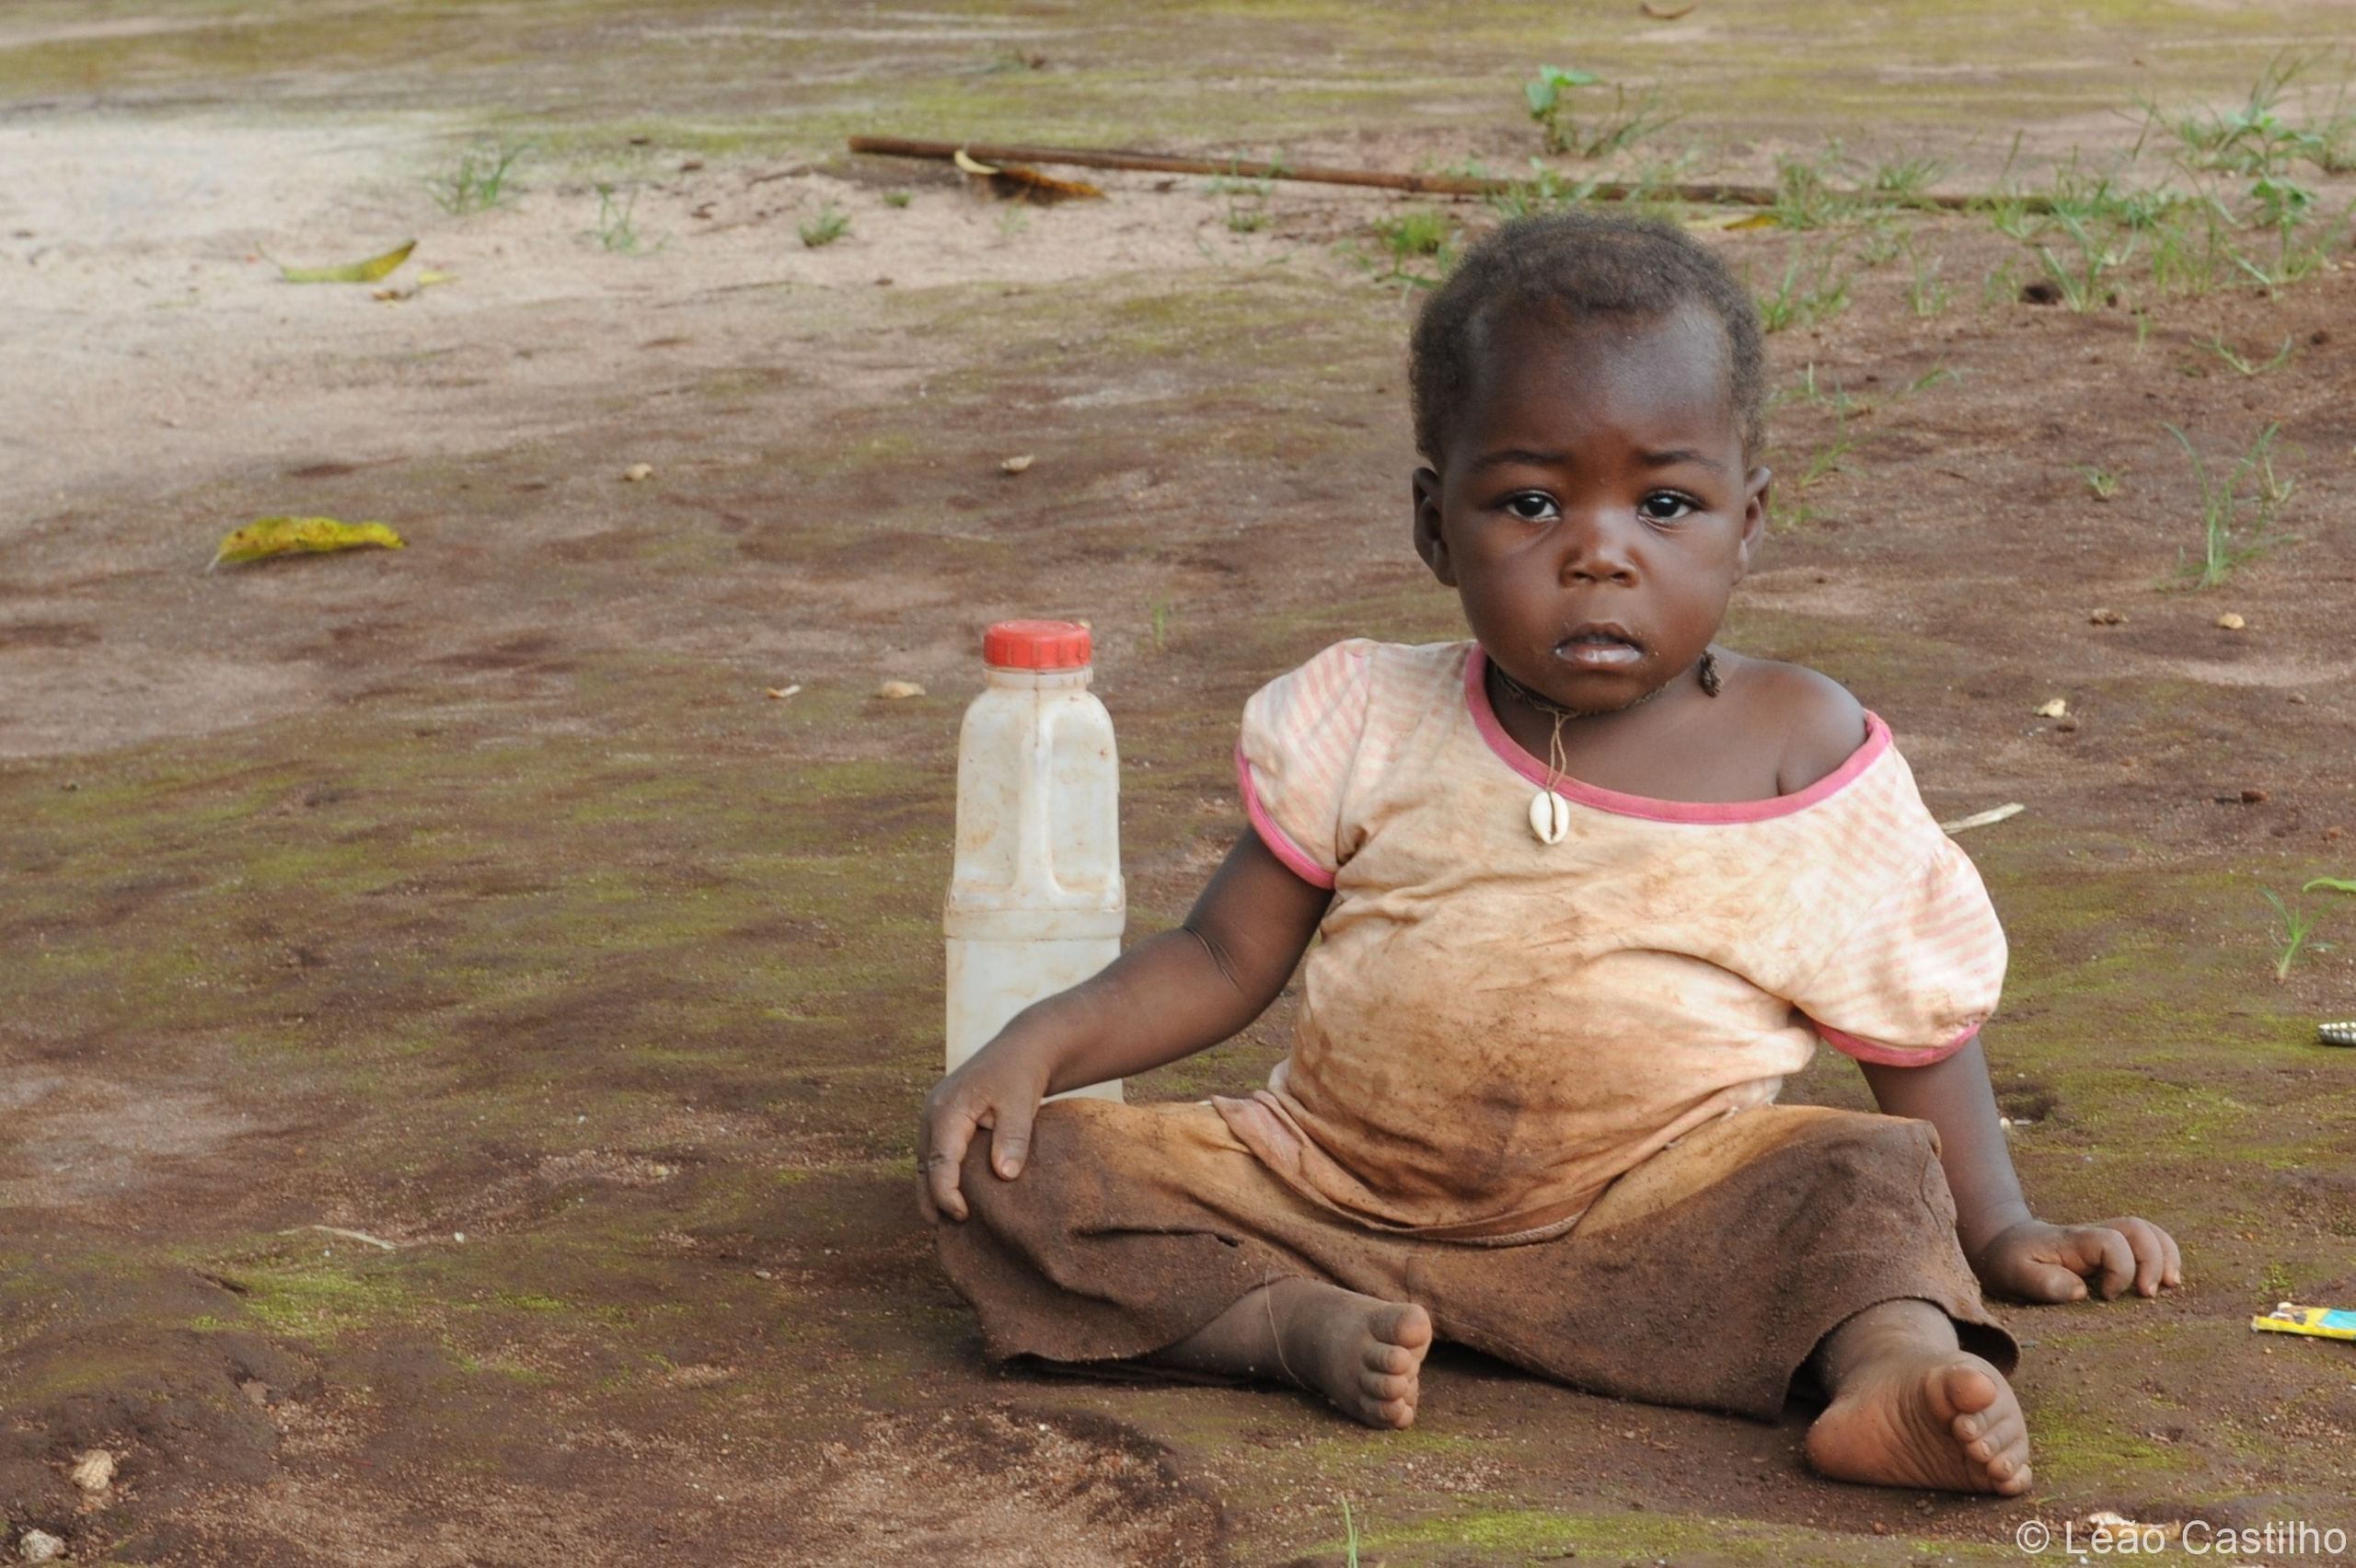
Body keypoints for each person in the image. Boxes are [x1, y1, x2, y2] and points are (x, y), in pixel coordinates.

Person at [917, 213, 2180, 1495]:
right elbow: (1220, 957)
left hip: (1650, 1220)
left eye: (1666, 503)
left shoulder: (1802, 750)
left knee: (1859, 1177)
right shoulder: (1370, 719)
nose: (1599, 551)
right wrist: (1038, 1048)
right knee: (1017, 1168)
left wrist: (2002, 1226)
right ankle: (1278, 1329)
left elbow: (1915, 1031)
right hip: (1328, 1198)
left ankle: (1892, 1372)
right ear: (1433, 522)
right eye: (1529, 501)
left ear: (1747, 523)